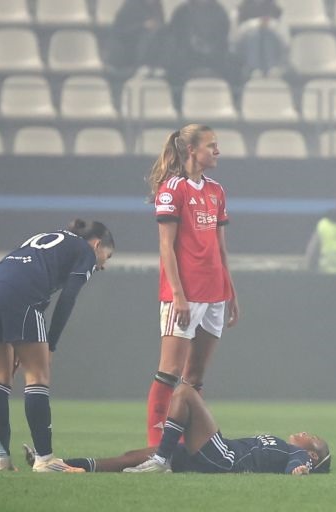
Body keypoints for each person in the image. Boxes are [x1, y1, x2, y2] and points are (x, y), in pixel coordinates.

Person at [0, 219, 114, 473]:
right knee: (38, 376)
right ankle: (45, 459)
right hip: (20, 294)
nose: (103, 265)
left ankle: (1, 459)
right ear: (97, 245)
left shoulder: (50, 238)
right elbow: (68, 298)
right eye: (107, 256)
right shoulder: (85, 251)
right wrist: (51, 345)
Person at [146, 124, 239, 446]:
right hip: (185, 294)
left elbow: (220, 247)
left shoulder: (216, 190)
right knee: (169, 370)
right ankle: (156, 447)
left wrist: (231, 292)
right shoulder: (172, 189)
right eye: (211, 145)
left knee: (195, 375)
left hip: (215, 293)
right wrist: (177, 295)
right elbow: (165, 248)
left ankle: (183, 443)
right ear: (191, 151)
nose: (217, 151)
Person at [27, 384, 330, 475]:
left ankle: (161, 461)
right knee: (131, 456)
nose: (306, 432)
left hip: (226, 459)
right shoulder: (285, 446)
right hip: (214, 456)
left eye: (312, 438)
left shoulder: (295, 453)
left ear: (312, 454)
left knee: (184, 393)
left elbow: (297, 463)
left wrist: (299, 470)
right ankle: (60, 465)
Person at [104, 0, 166, 74]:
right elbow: (120, 29)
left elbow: (161, 24)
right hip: (127, 50)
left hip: (149, 49)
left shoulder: (157, 5)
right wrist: (143, 26)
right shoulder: (131, 5)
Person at [233, 0, 289, 78]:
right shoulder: (241, 9)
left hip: (272, 39)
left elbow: (284, 37)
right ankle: (254, 67)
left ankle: (271, 68)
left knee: (267, 34)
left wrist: (269, 25)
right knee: (254, 35)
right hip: (246, 44)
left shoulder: (276, 9)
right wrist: (256, 24)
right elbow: (236, 35)